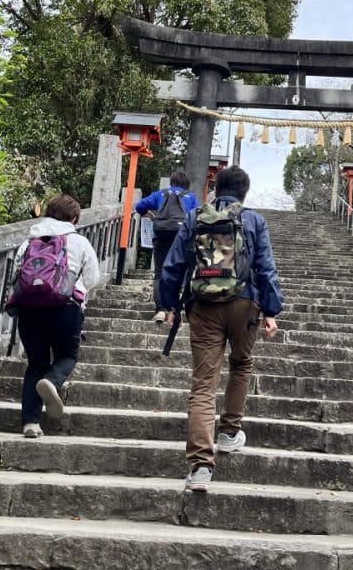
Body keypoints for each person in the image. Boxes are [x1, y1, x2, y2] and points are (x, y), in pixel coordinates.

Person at [158, 165, 283, 492]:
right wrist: (271, 310)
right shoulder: (254, 220)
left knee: (202, 384)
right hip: (245, 305)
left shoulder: (195, 217)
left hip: (203, 306)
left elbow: (173, 265)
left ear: (214, 187)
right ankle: (228, 433)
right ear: (245, 192)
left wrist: (167, 305)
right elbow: (265, 268)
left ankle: (200, 466)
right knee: (241, 364)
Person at [11, 194, 100, 438]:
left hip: (29, 309)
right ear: (74, 218)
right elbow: (92, 278)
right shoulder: (79, 242)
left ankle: (30, 422)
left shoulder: (29, 241)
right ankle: (52, 380)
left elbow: (16, 274)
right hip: (66, 308)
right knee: (67, 356)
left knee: (35, 364)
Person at [136, 172, 199, 323]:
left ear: (171, 182)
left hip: (161, 235)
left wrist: (151, 216)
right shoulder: (190, 197)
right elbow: (197, 216)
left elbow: (139, 206)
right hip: (181, 237)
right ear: (186, 184)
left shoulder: (160, 194)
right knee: (180, 272)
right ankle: (174, 308)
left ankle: (160, 310)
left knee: (159, 273)